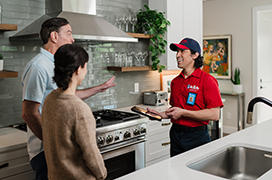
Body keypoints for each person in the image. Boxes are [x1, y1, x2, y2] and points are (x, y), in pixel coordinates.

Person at [21, 17, 116, 180]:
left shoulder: (56, 64)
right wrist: (52, 143)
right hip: (45, 150)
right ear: (54, 36)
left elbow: (66, 96)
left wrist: (99, 88)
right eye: (69, 33)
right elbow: (28, 113)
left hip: (58, 148)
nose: (72, 39)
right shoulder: (38, 67)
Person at [147, 37, 223, 157]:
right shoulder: (175, 82)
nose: (178, 55)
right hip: (176, 134)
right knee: (177, 173)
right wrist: (160, 115)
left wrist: (184, 113)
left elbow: (214, 114)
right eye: (177, 51)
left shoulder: (207, 80)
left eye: (182, 51)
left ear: (195, 55)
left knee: (196, 175)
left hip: (197, 136)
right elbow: (176, 111)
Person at [41, 44, 107, 180]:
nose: (86, 71)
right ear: (78, 70)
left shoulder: (49, 99)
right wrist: (102, 174)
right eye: (85, 66)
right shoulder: (79, 109)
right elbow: (91, 154)